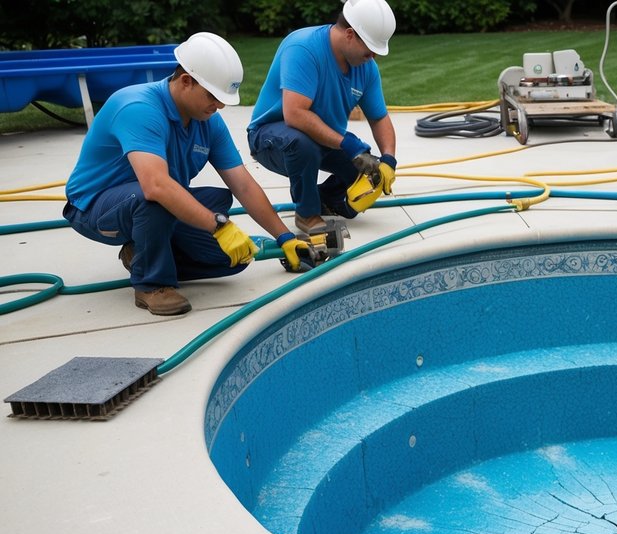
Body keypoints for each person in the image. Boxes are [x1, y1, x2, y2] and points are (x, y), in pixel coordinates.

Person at [63, 32, 315, 316]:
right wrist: (219, 226)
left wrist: (285, 238)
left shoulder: (208, 121)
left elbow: (243, 185)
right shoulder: (139, 108)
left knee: (232, 256)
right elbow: (156, 186)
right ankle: (152, 284)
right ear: (186, 81)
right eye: (213, 96)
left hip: (148, 202)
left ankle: (141, 256)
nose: (219, 105)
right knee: (155, 199)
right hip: (94, 208)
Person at [248, 0, 398, 234]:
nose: (373, 57)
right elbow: (295, 114)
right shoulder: (304, 48)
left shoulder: (366, 68)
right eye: (370, 50)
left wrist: (388, 159)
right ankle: (307, 214)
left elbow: (379, 118)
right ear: (350, 34)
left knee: (369, 174)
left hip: (324, 139)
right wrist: (348, 144)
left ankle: (324, 199)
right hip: (271, 136)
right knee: (303, 144)